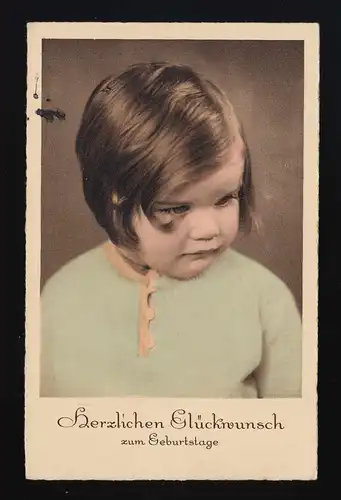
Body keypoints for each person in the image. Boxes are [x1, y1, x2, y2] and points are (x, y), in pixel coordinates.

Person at [40, 62, 302, 398]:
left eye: (225, 199)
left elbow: (296, 432)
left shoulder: (265, 300)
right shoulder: (63, 297)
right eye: (177, 207)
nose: (209, 230)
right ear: (115, 199)